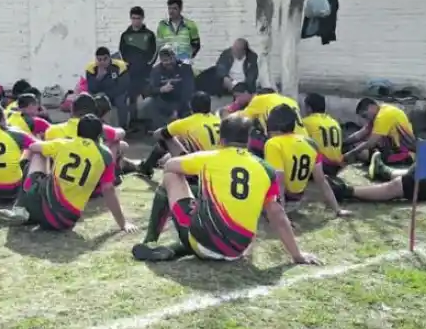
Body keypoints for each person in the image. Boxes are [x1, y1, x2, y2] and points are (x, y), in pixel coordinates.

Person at [131, 115, 320, 264]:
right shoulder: (266, 169)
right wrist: (297, 255)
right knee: (213, 221)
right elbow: (277, 214)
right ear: (248, 140)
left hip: (202, 242)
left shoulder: (209, 158)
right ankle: (175, 249)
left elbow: (169, 165)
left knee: (171, 176)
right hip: (237, 251)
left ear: (221, 139)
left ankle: (150, 240)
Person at [0, 115, 137, 232]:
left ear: (78, 131)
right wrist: (123, 224)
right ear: (100, 134)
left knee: (39, 154)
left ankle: (21, 206)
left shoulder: (63, 144)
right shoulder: (106, 155)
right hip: (65, 220)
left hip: (42, 206)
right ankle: (29, 212)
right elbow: (108, 190)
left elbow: (33, 146)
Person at [263, 104, 348, 215]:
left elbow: (279, 183)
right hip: (296, 201)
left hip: (280, 203)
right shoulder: (311, 143)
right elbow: (321, 181)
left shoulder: (273, 144)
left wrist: (281, 217)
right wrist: (338, 210)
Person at [138, 91, 220, 177]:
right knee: (184, 140)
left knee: (166, 137)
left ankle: (146, 167)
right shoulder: (219, 120)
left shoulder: (187, 122)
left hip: (198, 171)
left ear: (191, 106)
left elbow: (158, 135)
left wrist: (154, 133)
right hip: (219, 168)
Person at [228, 87, 305, 157]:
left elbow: (237, 119)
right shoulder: (290, 100)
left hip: (281, 144)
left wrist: (232, 107)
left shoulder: (260, 99)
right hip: (303, 141)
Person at [343, 97, 416, 170]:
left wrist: (351, 153)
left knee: (363, 153)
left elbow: (371, 142)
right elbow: (362, 133)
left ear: (371, 107)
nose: (365, 119)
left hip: (405, 153)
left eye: (365, 116)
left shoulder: (383, 115)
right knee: (358, 147)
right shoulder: (380, 110)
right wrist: (343, 143)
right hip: (393, 147)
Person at [119, 6, 157, 128]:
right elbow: (121, 53)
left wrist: (147, 66)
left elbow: (154, 53)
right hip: (131, 73)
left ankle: (150, 125)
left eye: (138, 18)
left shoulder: (149, 35)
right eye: (134, 18)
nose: (136, 21)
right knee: (132, 98)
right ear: (130, 18)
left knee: (149, 97)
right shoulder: (125, 35)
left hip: (146, 72)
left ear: (142, 18)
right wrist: (127, 66)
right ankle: (133, 124)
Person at [148, 45, 194, 129]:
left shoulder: (184, 68)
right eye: (165, 60)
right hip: (164, 102)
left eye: (170, 59)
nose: (168, 62)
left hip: (181, 101)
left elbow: (189, 90)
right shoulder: (156, 70)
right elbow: (150, 90)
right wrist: (161, 89)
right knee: (150, 102)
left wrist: (176, 110)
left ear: (175, 57)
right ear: (161, 60)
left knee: (190, 104)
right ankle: (161, 130)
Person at [301, 93, 345, 176]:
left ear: (309, 108)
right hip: (337, 165)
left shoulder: (306, 122)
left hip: (322, 167)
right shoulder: (334, 121)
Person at [85, 46, 129, 127]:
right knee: (92, 100)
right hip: (99, 94)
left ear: (109, 58)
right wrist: (98, 77)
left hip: (116, 93)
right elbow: (91, 88)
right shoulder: (91, 68)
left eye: (105, 59)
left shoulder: (119, 66)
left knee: (120, 101)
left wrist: (107, 94)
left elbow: (122, 86)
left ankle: (123, 126)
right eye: (99, 59)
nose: (102, 62)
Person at [156, 0, 200, 64]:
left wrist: (188, 58)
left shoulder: (190, 25)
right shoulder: (162, 25)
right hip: (168, 64)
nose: (171, 11)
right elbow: (159, 46)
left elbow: (196, 45)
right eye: (169, 8)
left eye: (174, 8)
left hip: (185, 63)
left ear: (180, 9)